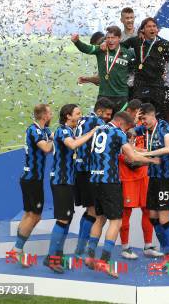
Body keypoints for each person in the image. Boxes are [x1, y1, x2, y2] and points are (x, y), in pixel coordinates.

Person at [85, 112, 160, 278]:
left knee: (99, 219)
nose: (127, 131)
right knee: (116, 221)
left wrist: (145, 151)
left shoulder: (99, 130)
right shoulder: (118, 132)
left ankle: (90, 256)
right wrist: (153, 161)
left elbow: (127, 149)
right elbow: (131, 157)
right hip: (109, 182)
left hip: (94, 179)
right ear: (121, 123)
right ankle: (104, 261)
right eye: (127, 127)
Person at [45, 104, 97, 273]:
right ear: (68, 116)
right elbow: (73, 145)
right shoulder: (63, 131)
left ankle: (56, 256)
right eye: (77, 113)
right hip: (60, 181)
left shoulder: (70, 131)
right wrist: (90, 133)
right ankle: (52, 258)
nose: (80, 116)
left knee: (66, 218)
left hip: (67, 181)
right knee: (62, 219)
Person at [135, 103, 169, 265]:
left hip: (166, 179)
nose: (143, 122)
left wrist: (146, 153)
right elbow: (128, 131)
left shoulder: (163, 127)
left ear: (152, 115)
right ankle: (166, 252)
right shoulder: (144, 129)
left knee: (163, 218)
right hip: (154, 178)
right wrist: (136, 119)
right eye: (140, 119)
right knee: (153, 217)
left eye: (144, 118)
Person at [11, 104, 54, 266]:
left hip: (33, 179)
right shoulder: (34, 130)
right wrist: (57, 139)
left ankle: (18, 250)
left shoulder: (44, 131)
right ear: (44, 115)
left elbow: (52, 137)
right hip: (31, 179)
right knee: (35, 216)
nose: (52, 115)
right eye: (50, 113)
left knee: (29, 214)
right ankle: (17, 249)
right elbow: (46, 148)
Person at [73, 98, 114, 257]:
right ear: (99, 111)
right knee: (93, 211)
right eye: (107, 115)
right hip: (88, 171)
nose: (108, 118)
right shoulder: (97, 122)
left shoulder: (81, 119)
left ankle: (80, 247)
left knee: (89, 209)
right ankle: (80, 250)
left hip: (78, 170)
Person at [120, 18, 169, 122]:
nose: (152, 28)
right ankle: (138, 134)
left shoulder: (163, 44)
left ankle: (154, 133)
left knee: (157, 112)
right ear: (143, 30)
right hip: (141, 83)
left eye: (154, 26)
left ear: (157, 29)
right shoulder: (136, 41)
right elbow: (121, 46)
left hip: (157, 83)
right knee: (139, 111)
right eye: (149, 26)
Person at [118, 128, 161, 260]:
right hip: (128, 180)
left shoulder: (144, 133)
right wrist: (152, 159)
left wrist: (145, 152)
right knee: (125, 214)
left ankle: (148, 246)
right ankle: (125, 248)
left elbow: (138, 150)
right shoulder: (119, 137)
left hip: (144, 178)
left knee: (147, 211)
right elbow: (131, 162)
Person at [72, 26, 135, 113]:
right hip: (104, 96)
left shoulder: (128, 53)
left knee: (121, 123)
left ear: (119, 38)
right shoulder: (101, 50)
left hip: (121, 96)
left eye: (113, 38)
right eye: (108, 38)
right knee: (100, 123)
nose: (110, 40)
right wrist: (77, 42)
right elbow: (86, 48)